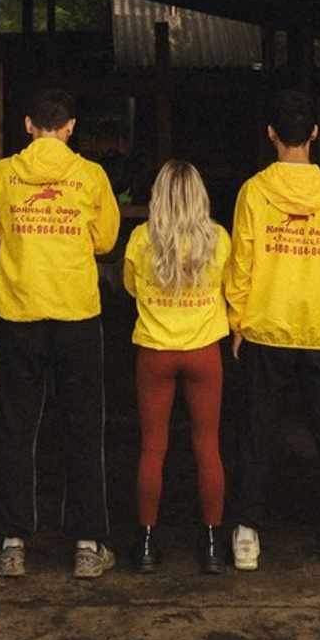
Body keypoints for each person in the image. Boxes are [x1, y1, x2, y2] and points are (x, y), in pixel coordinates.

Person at [225, 88, 320, 573]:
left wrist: (238, 321)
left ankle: (246, 533)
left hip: (265, 328)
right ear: (314, 134)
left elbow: (241, 265)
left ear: (270, 135)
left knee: (255, 431)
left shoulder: (253, 191)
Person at [0, 86, 122, 579]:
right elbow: (106, 240)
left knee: (17, 429)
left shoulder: (5, 172)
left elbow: (2, 229)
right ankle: (88, 545)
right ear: (69, 128)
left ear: (27, 126)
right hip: (76, 315)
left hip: (20, 314)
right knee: (82, 427)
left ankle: (13, 543)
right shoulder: (91, 175)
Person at [123, 160, 232, 574]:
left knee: (153, 447)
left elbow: (132, 287)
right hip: (204, 351)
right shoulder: (218, 239)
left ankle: (147, 542)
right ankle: (210, 546)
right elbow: (229, 286)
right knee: (208, 445)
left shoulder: (141, 239)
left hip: (155, 351)